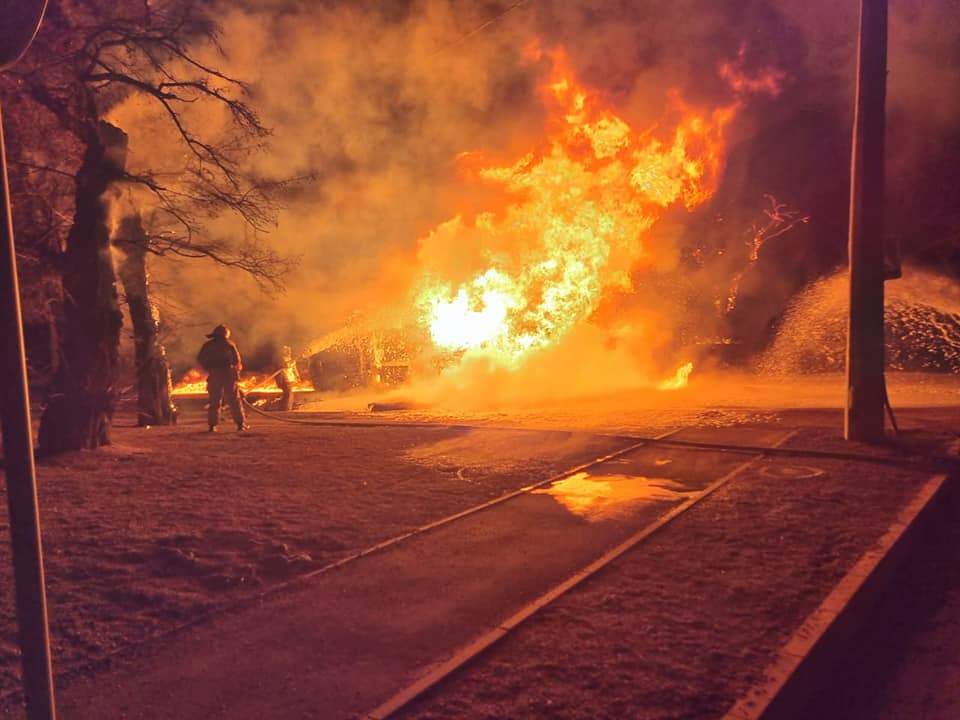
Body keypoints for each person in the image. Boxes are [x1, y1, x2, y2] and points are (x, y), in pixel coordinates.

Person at [197, 324, 249, 432]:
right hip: (228, 373)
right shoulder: (229, 344)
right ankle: (240, 424)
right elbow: (236, 361)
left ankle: (212, 426)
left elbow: (200, 358)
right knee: (234, 400)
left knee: (214, 400)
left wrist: (208, 368)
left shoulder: (208, 345)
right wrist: (236, 372)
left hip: (214, 373)